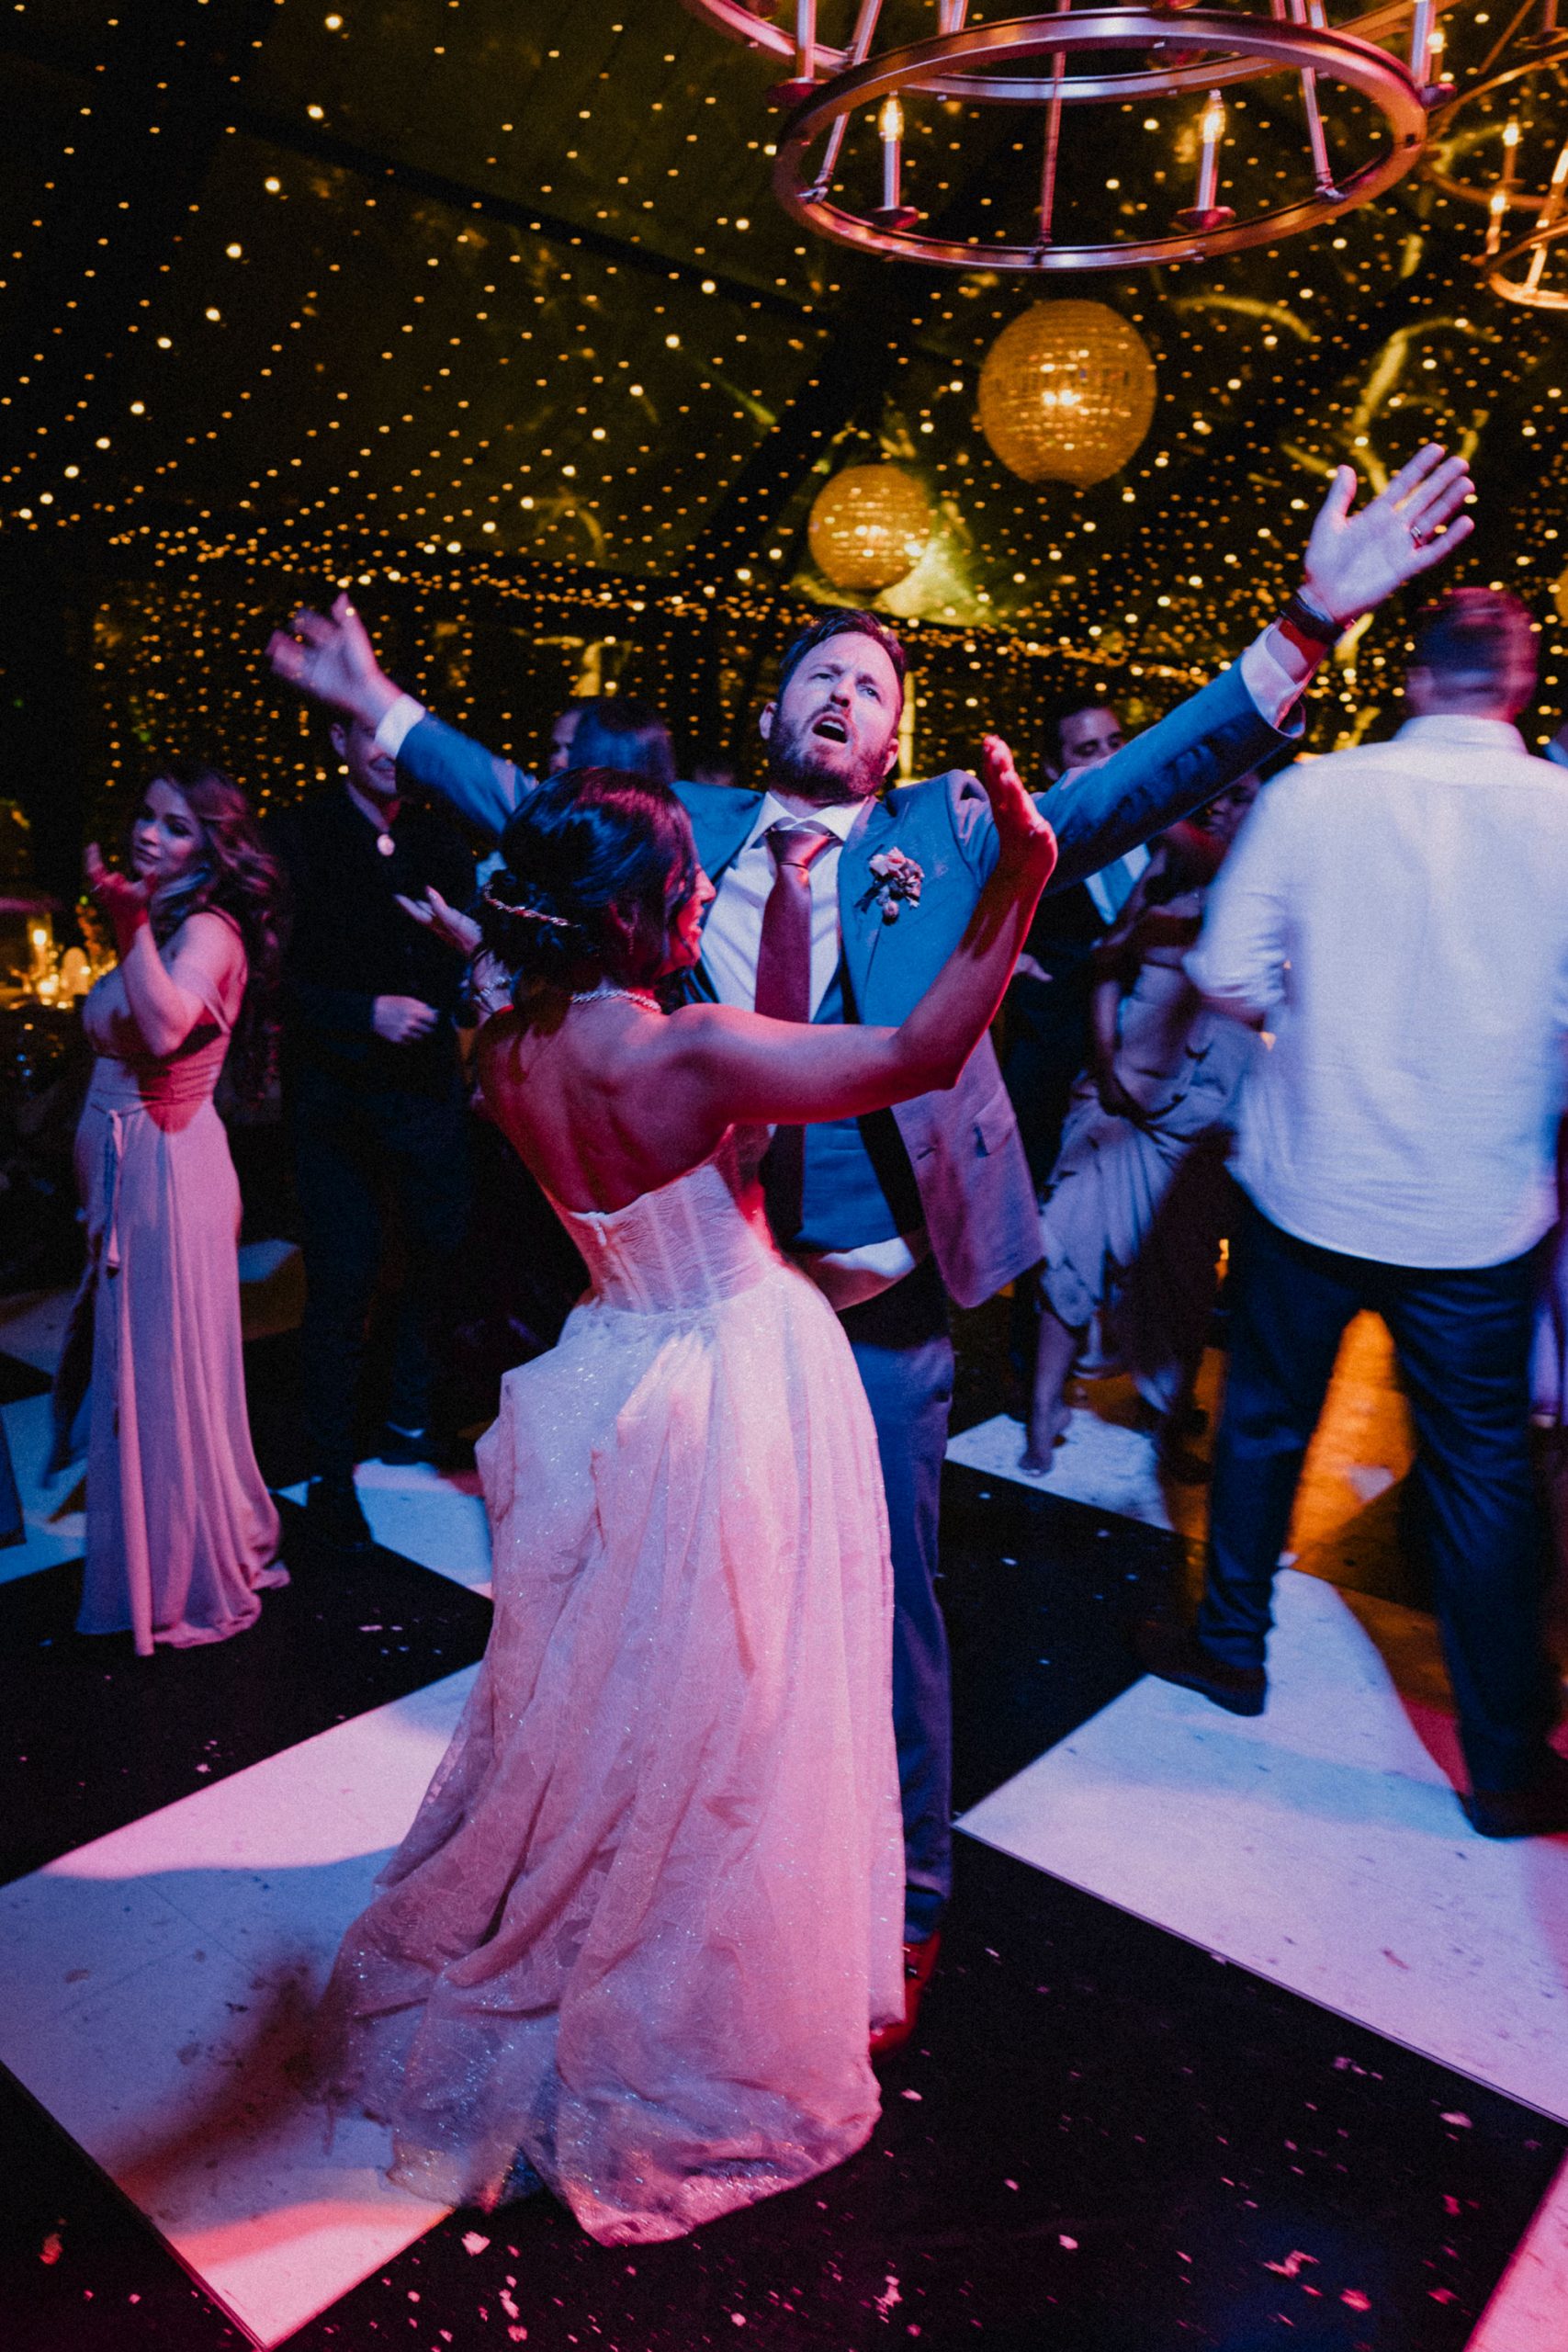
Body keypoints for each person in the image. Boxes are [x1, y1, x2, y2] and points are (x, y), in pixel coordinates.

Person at [270, 444, 1474, 2039]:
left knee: (889, 1599)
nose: (844, 692)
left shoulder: (956, 829)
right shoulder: (681, 829)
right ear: (772, 711)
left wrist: (1307, 626)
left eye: (872, 684)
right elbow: (521, 805)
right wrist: (379, 708)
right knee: (695, 1608)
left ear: (897, 736)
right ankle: (695, 1864)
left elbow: (1134, 786)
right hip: (708, 1315)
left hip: (880, 1309)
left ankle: (905, 1896)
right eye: (819, 674)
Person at [311, 750, 1060, 2241]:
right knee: (741, 1702)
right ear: (627, 917)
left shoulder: (502, 1048)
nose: (705, 898)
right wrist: (1021, 878)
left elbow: (570, 1065)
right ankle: (688, 1973)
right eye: (683, 888)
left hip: (610, 1365)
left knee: (618, 1700)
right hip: (732, 1369)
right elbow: (922, 1051)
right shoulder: (689, 1050)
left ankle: (597, 1919)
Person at [1139, 588, 1568, 1838]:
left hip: (1308, 1182)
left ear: (1412, 678)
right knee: (1482, 1476)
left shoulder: (1315, 795)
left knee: (1263, 1426)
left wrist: (1311, 1022)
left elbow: (1223, 971)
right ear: (1518, 687)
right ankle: (1505, 1764)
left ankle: (1230, 1651)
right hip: (1475, 1209)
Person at [51, 763, 288, 1654]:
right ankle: (164, 1546)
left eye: (177, 826)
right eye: (147, 818)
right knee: (139, 1373)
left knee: (163, 1378)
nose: (150, 835)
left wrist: (127, 927)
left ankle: (184, 1574)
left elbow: (162, 1029)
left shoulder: (210, 930)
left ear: (216, 848)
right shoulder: (165, 916)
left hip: (166, 1172)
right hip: (124, 1172)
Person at [269, 709, 476, 1553]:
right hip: (336, 1099)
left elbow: (467, 957)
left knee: (438, 1260)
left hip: (426, 1095)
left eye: (399, 736)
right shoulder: (299, 836)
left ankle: (408, 1419)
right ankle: (330, 1471)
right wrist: (364, 1013)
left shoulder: (440, 838)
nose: (388, 753)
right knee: (341, 1281)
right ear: (338, 743)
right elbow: (266, 978)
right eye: (370, 735)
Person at [1023, 775, 1261, 1476]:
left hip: (1202, 1103)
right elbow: (1108, 961)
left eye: (1241, 794)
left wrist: (1159, 813)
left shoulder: (1262, 879)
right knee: (1065, 1241)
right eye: (1217, 793)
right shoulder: (1165, 870)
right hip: (1122, 1086)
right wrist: (1103, 1061)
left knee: (1181, 1273)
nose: (1221, 803)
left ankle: (1167, 1421)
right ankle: (1041, 1408)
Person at [1003, 695, 1141, 1193]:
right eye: (1087, 750)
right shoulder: (1032, 841)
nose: (1108, 758)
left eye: (1115, 742)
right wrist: (1012, 960)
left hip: (1154, 1051)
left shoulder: (1168, 825)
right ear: (1052, 767)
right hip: (1056, 1049)